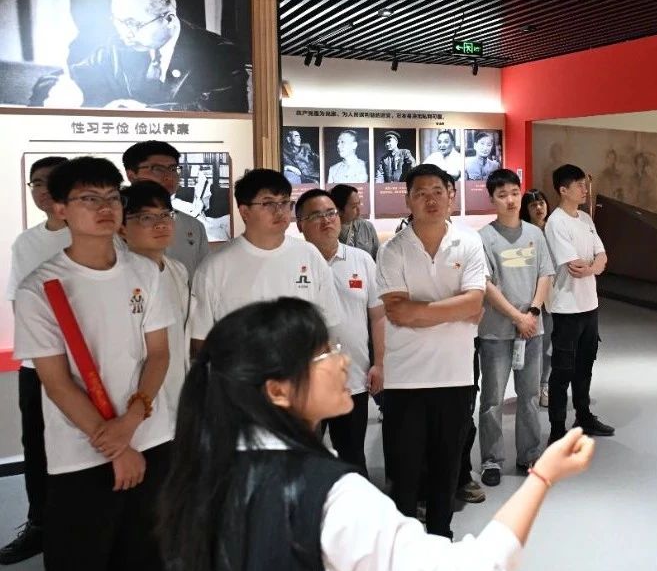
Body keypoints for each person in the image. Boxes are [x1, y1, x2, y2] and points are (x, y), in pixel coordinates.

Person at [158, 298, 595, 571]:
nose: (343, 360)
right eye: (324, 353)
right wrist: (542, 476)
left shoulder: (201, 471)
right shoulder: (333, 496)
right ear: (277, 391)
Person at [13, 156, 173, 571]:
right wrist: (117, 445)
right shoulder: (40, 288)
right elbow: (56, 382)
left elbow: (158, 354)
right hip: (81, 454)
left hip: (151, 440)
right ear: (60, 208)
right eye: (88, 198)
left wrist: (131, 423)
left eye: (111, 198)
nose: (104, 207)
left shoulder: (144, 273)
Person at [376, 164, 486, 539]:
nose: (431, 200)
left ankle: (441, 537)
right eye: (421, 193)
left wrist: (420, 312)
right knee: (404, 472)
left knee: (447, 468)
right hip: (405, 379)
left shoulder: (468, 243)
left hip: (455, 375)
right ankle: (404, 545)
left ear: (451, 196)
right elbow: (397, 311)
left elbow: (475, 302)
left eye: (438, 191)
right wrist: (456, 310)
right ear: (408, 200)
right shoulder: (393, 249)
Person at [0, 156, 69, 566]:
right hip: (38, 365)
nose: (43, 189)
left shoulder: (99, 236)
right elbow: (18, 299)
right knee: (38, 445)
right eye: (36, 182)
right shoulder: (26, 242)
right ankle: (39, 524)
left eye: (52, 181)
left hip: (88, 365)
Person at [189, 169, 338, 352]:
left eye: (284, 202)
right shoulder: (214, 266)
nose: (280, 211)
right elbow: (200, 340)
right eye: (268, 203)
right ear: (245, 212)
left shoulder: (309, 255)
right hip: (241, 369)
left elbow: (328, 325)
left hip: (301, 367)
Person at [50, 0, 249, 112]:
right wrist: (65, 87)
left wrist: (145, 111)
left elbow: (222, 109)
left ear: (168, 19)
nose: (125, 33)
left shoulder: (220, 53)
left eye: (134, 24)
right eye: (118, 21)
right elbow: (79, 74)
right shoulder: (118, 45)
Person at [296, 189, 384, 473]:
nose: (326, 220)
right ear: (300, 224)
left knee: (352, 457)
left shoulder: (362, 260)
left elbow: (378, 316)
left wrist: (379, 363)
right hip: (304, 382)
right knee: (306, 461)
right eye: (316, 215)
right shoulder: (290, 262)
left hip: (352, 378)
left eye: (331, 213)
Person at [477, 170, 554, 486]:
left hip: (532, 330)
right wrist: (517, 317)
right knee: (492, 399)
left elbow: (545, 274)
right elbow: (486, 284)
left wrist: (533, 311)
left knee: (529, 396)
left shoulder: (535, 234)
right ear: (492, 199)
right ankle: (491, 460)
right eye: (502, 195)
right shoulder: (484, 237)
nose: (510, 200)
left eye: (513, 193)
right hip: (496, 332)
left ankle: (530, 455)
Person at [544, 164, 615, 442]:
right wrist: (593, 266)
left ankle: (583, 416)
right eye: (579, 185)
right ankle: (557, 429)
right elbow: (574, 266)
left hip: (589, 305)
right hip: (567, 307)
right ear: (563, 190)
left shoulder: (585, 218)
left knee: (585, 364)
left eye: (585, 184)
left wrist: (593, 267)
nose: (585, 189)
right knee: (563, 370)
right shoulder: (556, 222)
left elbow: (602, 256)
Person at [120, 181, 189, 424]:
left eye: (165, 215)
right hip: (134, 402)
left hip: (177, 395)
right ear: (121, 228)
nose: (160, 224)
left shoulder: (177, 270)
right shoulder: (119, 276)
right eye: (146, 217)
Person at [123, 141, 210, 279]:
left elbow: (203, 279)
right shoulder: (116, 223)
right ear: (131, 175)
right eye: (158, 169)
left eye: (173, 169)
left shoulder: (193, 225)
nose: (169, 176)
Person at [520, 188, 553, 406]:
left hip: (552, 297)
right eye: (533, 205)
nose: (539, 208)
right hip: (528, 297)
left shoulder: (554, 229)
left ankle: (544, 385)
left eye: (541, 203)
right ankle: (528, 388)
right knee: (530, 345)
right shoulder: (523, 232)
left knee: (549, 345)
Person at [331, 184, 380, 260]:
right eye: (354, 207)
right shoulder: (329, 231)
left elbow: (378, 257)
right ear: (339, 210)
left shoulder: (367, 227)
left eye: (359, 204)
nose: (359, 210)